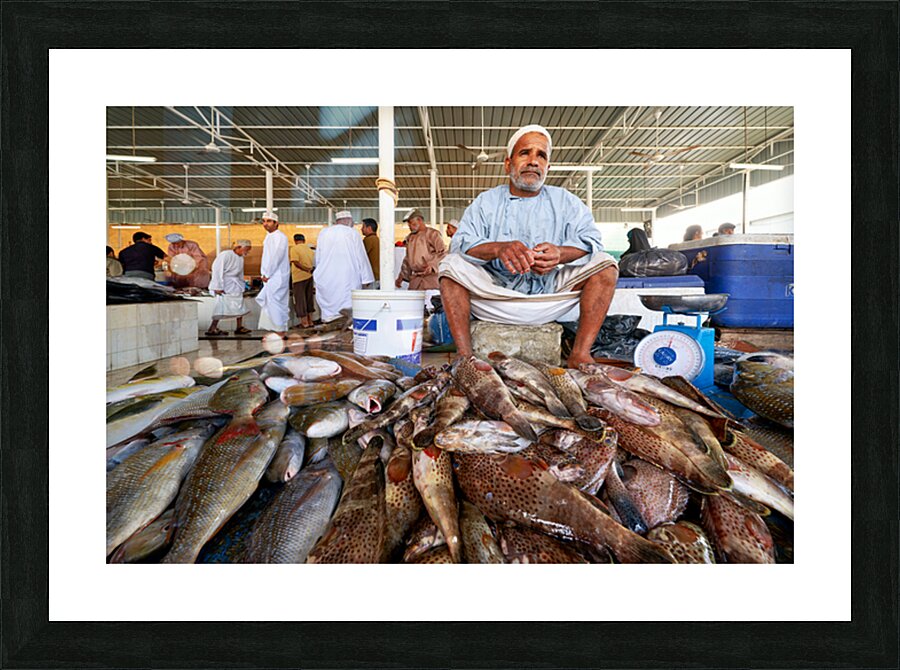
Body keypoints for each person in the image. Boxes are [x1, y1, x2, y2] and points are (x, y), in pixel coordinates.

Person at [438, 124, 618, 369]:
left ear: (547, 167)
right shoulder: (486, 202)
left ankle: (580, 354)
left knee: (606, 265)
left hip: (550, 296)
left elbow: (592, 242)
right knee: (450, 265)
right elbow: (461, 243)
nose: (533, 161)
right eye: (525, 153)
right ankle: (465, 356)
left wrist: (561, 254)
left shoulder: (566, 201)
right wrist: (498, 249)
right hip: (494, 298)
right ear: (508, 163)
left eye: (541, 155)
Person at [313, 210, 374, 322]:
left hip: (327, 279)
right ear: (348, 221)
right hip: (348, 279)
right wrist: (366, 279)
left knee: (329, 314)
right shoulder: (352, 233)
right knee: (347, 314)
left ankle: (328, 330)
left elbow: (318, 257)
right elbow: (361, 257)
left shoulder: (324, 233)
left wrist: (317, 275)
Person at [255, 211, 291, 336]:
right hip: (270, 277)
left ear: (276, 223)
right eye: (264, 221)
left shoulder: (280, 237)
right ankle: (277, 331)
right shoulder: (269, 237)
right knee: (271, 303)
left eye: (269, 221)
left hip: (276, 276)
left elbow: (277, 257)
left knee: (276, 304)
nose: (265, 224)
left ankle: (280, 332)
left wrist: (267, 274)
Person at [206, 240, 252, 336]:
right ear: (238, 247)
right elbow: (217, 270)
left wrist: (242, 285)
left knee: (240, 305)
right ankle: (212, 328)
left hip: (235, 285)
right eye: (246, 249)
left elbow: (240, 273)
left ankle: (239, 327)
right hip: (225, 284)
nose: (247, 252)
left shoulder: (241, 258)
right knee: (221, 306)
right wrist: (217, 286)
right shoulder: (225, 255)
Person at [395, 209, 446, 291]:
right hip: (416, 280)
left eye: (412, 223)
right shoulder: (410, 238)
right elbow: (408, 259)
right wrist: (402, 276)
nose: (410, 226)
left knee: (430, 302)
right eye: (409, 224)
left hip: (431, 279)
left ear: (419, 220)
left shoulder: (433, 234)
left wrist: (432, 265)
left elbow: (442, 253)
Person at [290, 233, 316, 329]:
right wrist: (309, 270)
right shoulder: (310, 250)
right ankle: (310, 322)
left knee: (300, 300)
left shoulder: (294, 249)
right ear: (304, 240)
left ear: (295, 240)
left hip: (299, 278)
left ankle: (304, 323)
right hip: (309, 277)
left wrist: (305, 269)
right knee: (309, 299)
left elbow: (295, 262)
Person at [361, 218, 380, 288]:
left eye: (363, 227)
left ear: (369, 228)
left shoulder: (369, 240)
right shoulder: (376, 239)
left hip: (371, 277)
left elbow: (361, 257)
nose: (361, 229)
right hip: (377, 276)